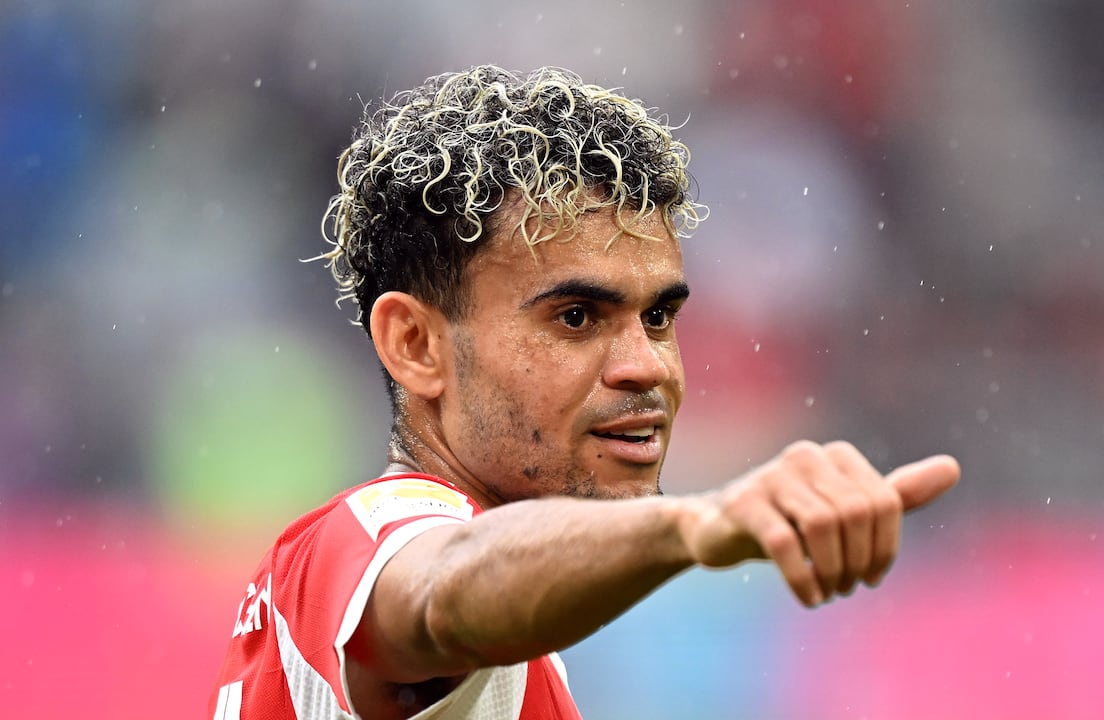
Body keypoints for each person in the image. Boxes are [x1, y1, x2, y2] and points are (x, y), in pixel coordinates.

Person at [208, 65, 960, 720]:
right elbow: (443, 589)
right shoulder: (369, 537)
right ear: (416, 345)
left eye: (660, 317)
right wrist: (695, 525)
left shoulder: (516, 660)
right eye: (576, 317)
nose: (647, 366)